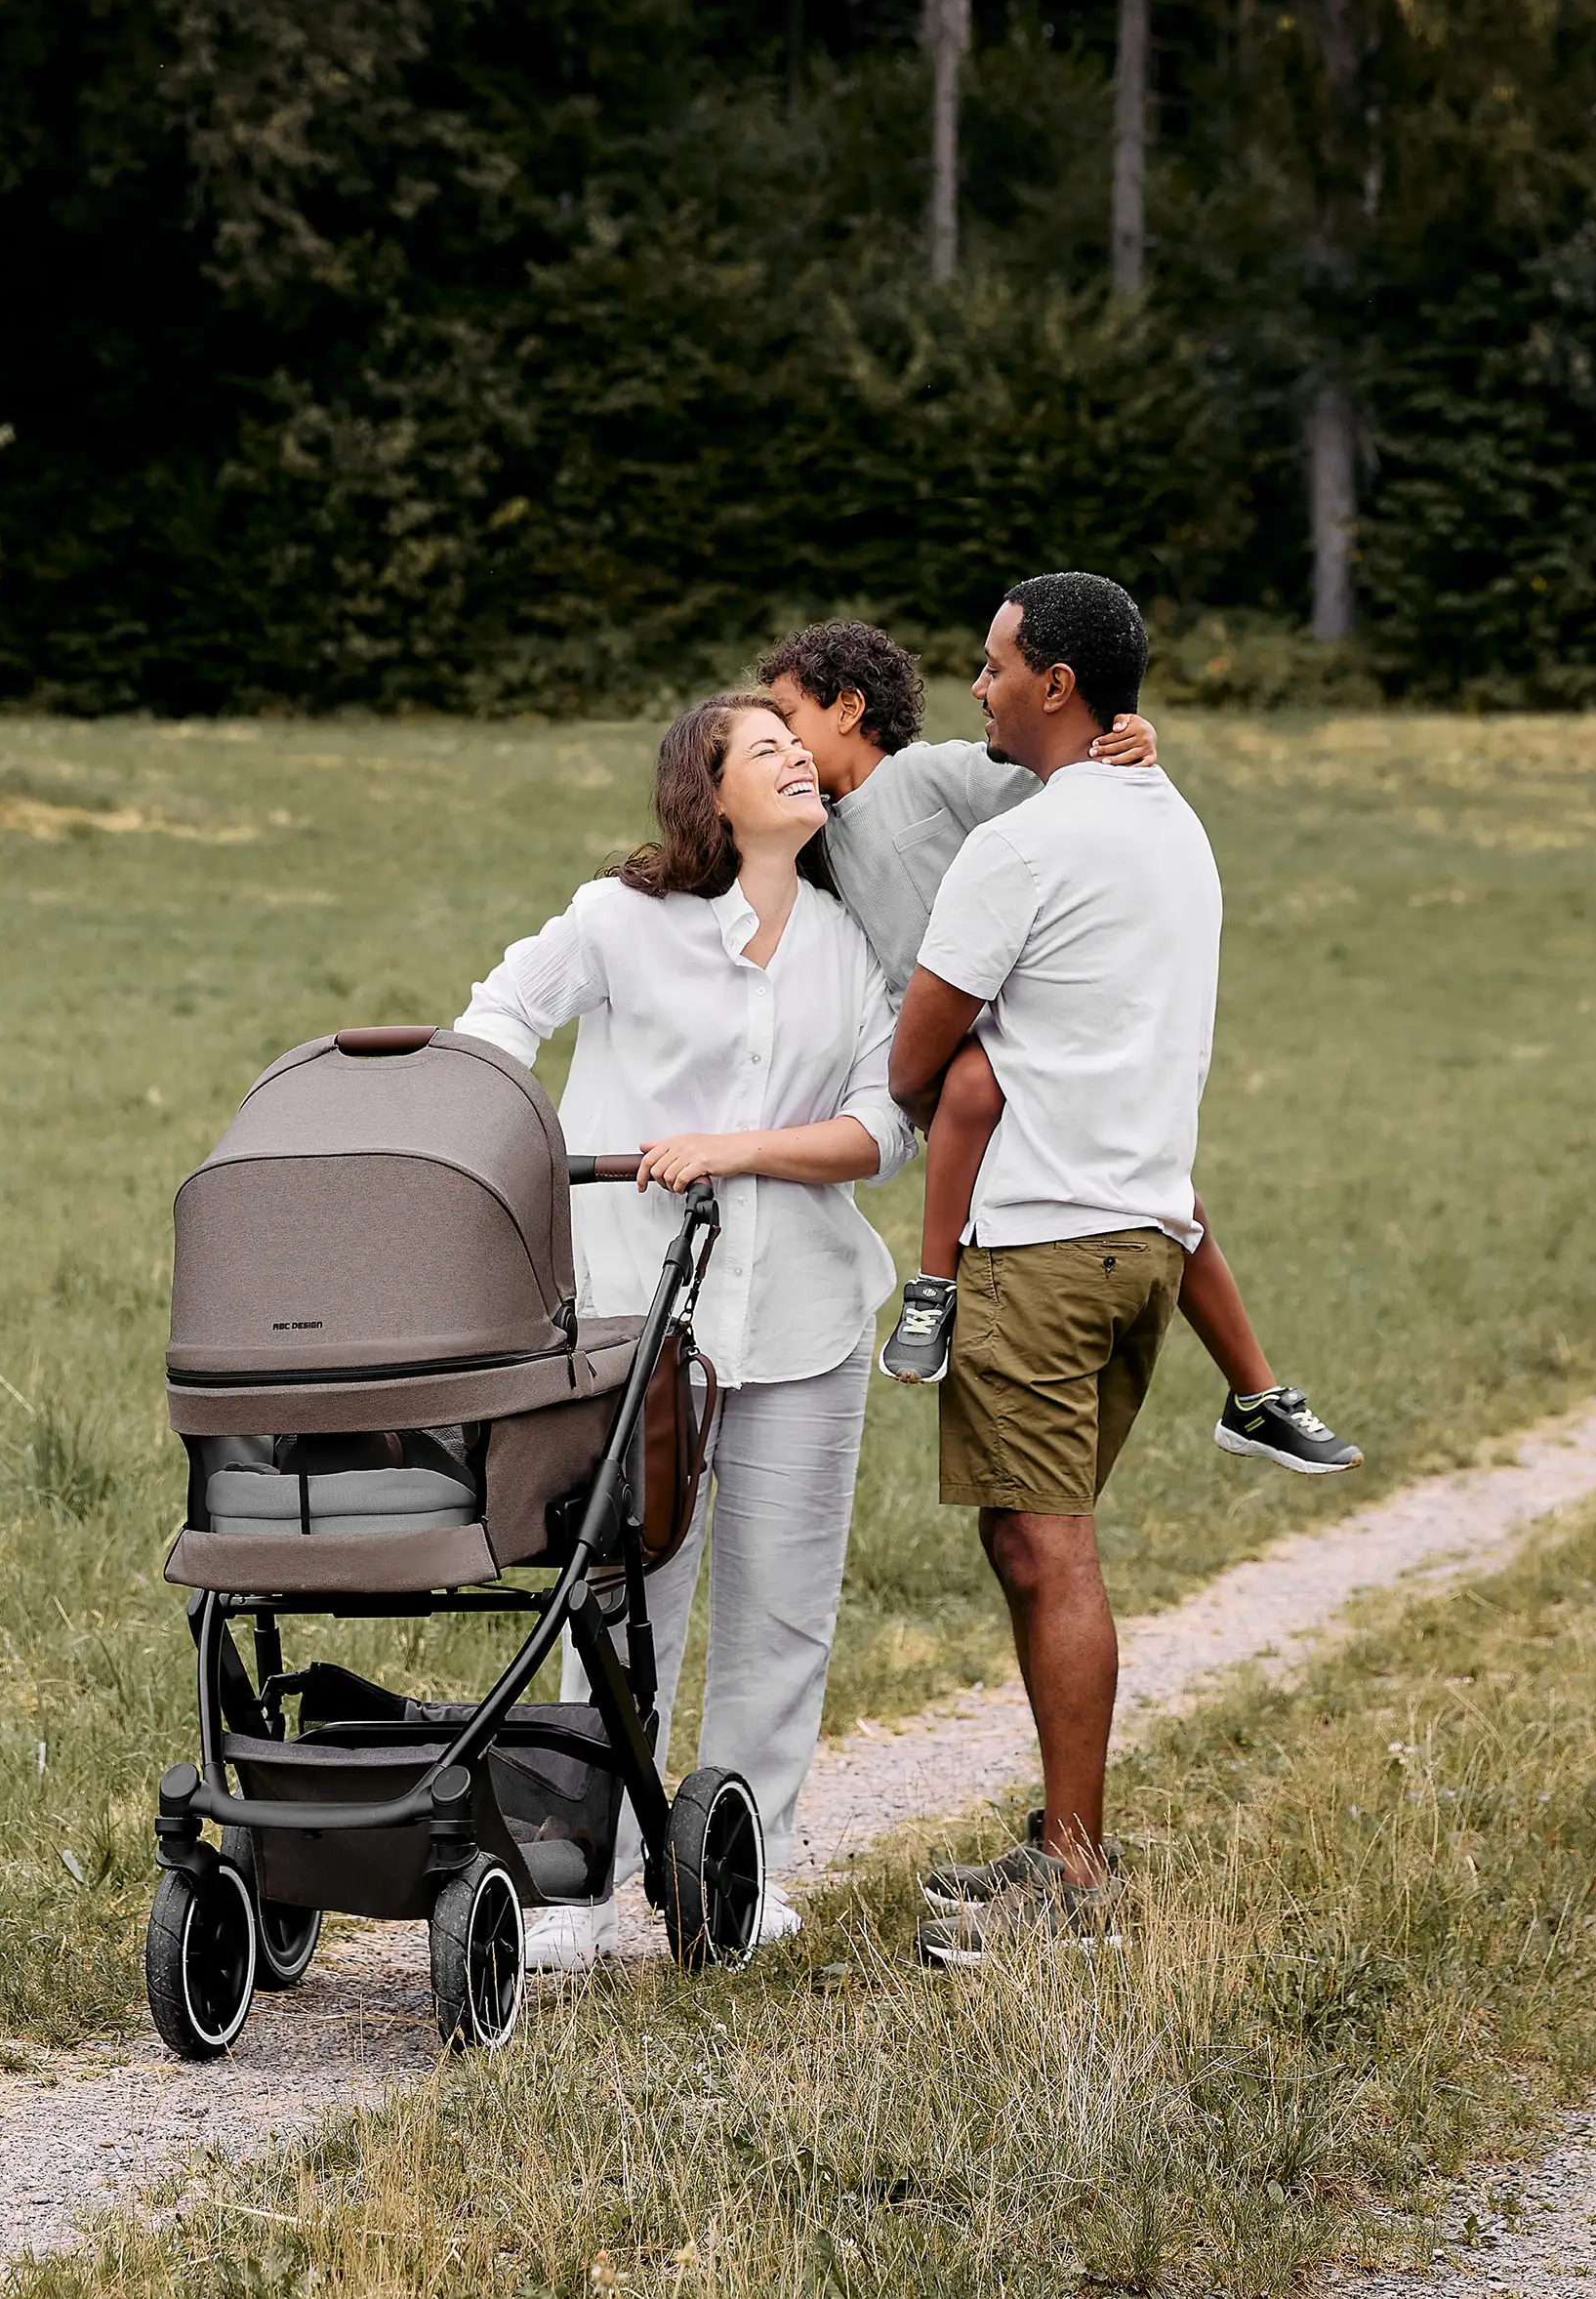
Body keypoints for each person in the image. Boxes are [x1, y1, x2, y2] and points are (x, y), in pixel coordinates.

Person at [454, 691, 912, 1968]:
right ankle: (576, 1886)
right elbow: (500, 1014)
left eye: (796, 746)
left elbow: (885, 1130)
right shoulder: (621, 921)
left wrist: (735, 1150)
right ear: (708, 795)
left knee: (783, 1612)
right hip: (636, 1330)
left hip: (804, 1324)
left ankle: (735, 1875)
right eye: (761, 750)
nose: (792, 760)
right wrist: (525, 1156)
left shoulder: (853, 944)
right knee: (617, 1601)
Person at [759, 620, 1359, 1477]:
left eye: (787, 719)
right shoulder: (819, 830)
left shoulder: (929, 775)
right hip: (927, 1037)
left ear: (850, 709)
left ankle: (1252, 1392)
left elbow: (1060, 784)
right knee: (1008, 1120)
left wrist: (1131, 742)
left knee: (1169, 1202)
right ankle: (944, 1284)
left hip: (999, 1025)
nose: (780, 743)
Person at [883, 573, 1222, 1964]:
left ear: (1059, 686)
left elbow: (917, 1056)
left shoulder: (1022, 849)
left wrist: (944, 1072)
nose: (978, 687)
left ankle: (1074, 1878)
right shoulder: (1169, 818)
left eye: (994, 666)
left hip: (1043, 1238)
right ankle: (1060, 1843)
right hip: (1144, 1236)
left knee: (1045, 1542)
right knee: (1033, 1537)